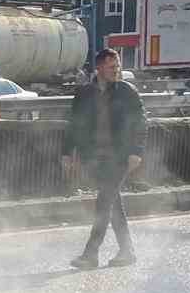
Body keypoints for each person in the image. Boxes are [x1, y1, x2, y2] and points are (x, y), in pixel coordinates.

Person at [62, 49, 146, 270]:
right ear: (99, 68)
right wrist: (67, 152)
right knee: (112, 204)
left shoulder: (127, 91)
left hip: (119, 156)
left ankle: (91, 253)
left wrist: (136, 151)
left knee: (103, 203)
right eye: (111, 67)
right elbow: (74, 124)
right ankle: (127, 251)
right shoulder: (84, 93)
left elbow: (140, 123)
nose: (116, 70)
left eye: (117, 66)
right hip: (94, 157)